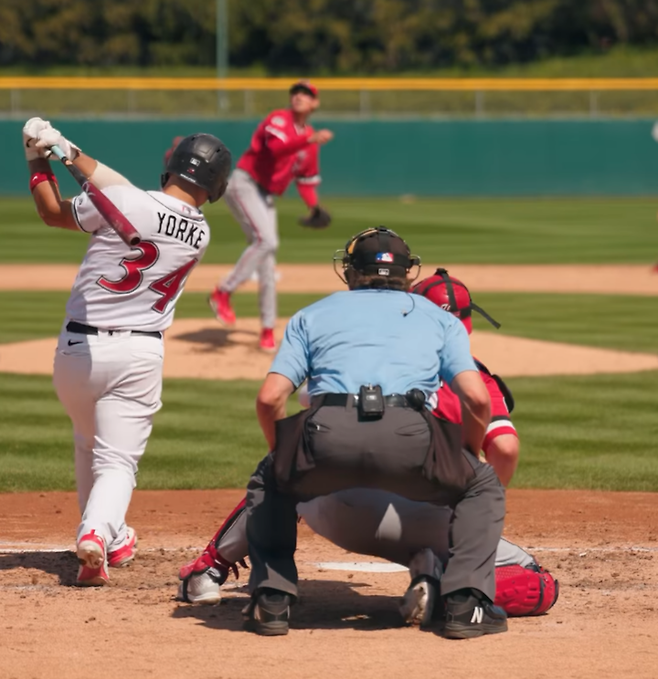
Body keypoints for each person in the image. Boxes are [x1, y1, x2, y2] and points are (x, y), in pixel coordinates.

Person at [176, 270, 557, 625]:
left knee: (287, 466)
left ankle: (209, 569)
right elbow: (504, 449)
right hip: (423, 519)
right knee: (536, 580)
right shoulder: (478, 380)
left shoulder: (361, 360)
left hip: (326, 507)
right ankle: (444, 588)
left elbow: (299, 412)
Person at [238, 226, 506, 637]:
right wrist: (465, 456)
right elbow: (478, 400)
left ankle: (271, 601)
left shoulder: (312, 314)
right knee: (482, 484)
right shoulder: (439, 319)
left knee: (269, 480)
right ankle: (464, 605)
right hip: (412, 437)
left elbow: (269, 398)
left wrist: (286, 460)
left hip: (327, 431)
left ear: (350, 272)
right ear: (408, 274)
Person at [22, 117, 231, 586]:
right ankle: (96, 534)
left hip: (75, 353)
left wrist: (42, 157)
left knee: (86, 442)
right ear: (215, 188)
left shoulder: (128, 201)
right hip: (137, 354)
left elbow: (53, 211)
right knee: (115, 460)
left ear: (172, 169)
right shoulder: (199, 233)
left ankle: (112, 542)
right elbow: (120, 193)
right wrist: (64, 150)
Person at [208, 80, 334, 352]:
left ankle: (267, 329)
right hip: (246, 183)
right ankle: (223, 292)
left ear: (315, 104)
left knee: (267, 260)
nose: (299, 96)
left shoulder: (308, 138)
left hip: (265, 195)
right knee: (267, 241)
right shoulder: (279, 119)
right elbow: (276, 149)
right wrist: (308, 138)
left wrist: (313, 206)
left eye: (307, 94)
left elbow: (306, 179)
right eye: (296, 92)